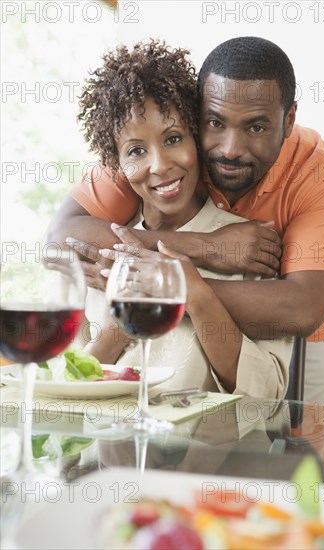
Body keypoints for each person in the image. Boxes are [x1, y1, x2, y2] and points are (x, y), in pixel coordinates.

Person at [46, 37, 324, 405]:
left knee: (308, 449)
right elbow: (59, 237)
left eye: (256, 127)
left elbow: (301, 309)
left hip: (301, 336)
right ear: (198, 115)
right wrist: (204, 251)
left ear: (288, 119)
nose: (230, 148)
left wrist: (174, 289)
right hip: (176, 345)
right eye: (216, 123)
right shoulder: (151, 146)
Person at [77, 39, 292, 398]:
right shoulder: (105, 257)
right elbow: (67, 389)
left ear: (197, 136)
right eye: (136, 151)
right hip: (108, 451)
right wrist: (118, 328)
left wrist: (198, 297)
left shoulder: (249, 249)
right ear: (116, 165)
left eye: (174, 138)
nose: (160, 166)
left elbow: (268, 398)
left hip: (204, 451)